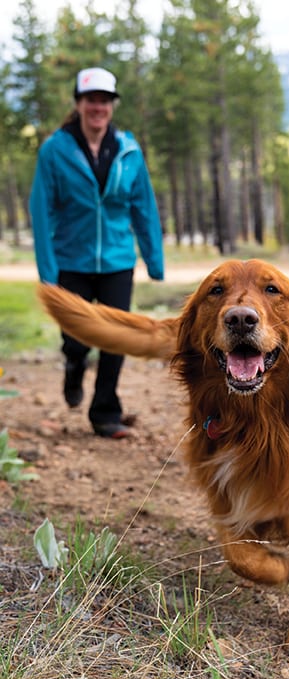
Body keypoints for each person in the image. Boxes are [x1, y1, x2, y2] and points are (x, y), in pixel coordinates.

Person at [30, 67, 164, 439]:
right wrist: (47, 269)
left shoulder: (128, 150)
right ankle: (73, 367)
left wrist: (153, 258)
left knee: (114, 337)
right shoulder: (55, 149)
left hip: (118, 261)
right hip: (71, 259)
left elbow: (143, 206)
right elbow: (42, 210)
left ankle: (105, 413)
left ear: (112, 106)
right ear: (79, 103)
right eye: (91, 99)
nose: (98, 107)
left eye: (105, 100)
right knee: (76, 338)